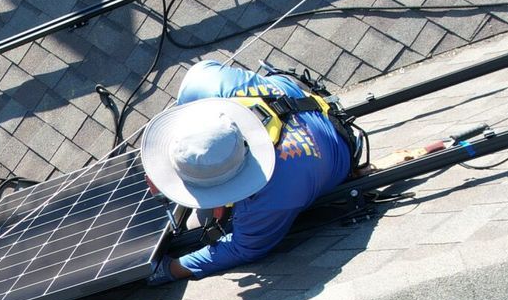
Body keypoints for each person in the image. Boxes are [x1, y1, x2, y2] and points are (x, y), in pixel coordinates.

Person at [144, 60, 357, 283]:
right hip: (299, 98)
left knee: (217, 220)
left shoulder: (269, 197)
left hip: (339, 148)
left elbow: (243, 248)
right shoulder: (204, 82)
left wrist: (168, 269)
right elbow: (207, 142)